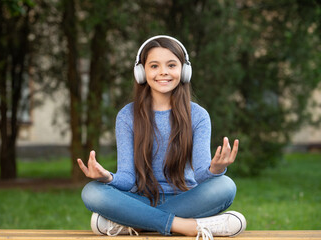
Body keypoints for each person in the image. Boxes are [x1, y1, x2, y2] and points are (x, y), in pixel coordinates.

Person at [77, 35, 246, 240]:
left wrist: (216, 169)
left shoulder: (199, 115)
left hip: (187, 198)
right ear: (141, 72)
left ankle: (136, 224)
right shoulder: (127, 116)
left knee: (225, 185)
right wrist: (107, 177)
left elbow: (202, 176)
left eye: (171, 65)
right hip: (140, 199)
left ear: (184, 71)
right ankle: (185, 226)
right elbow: (127, 178)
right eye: (154, 66)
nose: (163, 72)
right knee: (92, 191)